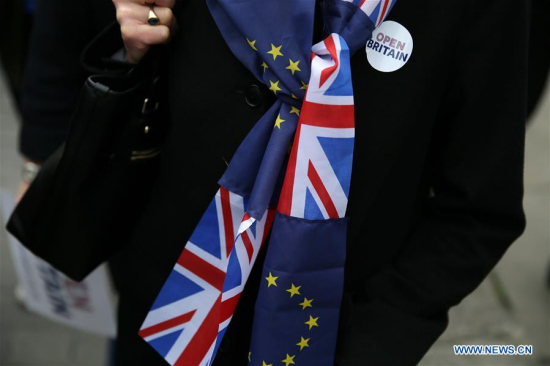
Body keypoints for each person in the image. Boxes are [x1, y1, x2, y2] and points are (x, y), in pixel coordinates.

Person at [17, 0, 528, 364]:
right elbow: (70, 34)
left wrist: (379, 339)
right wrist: (126, 42)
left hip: (337, 331)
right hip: (163, 299)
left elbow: (479, 207)